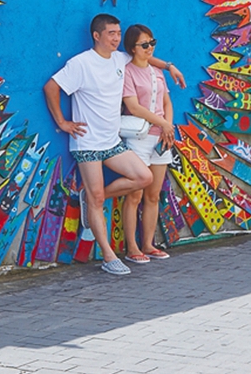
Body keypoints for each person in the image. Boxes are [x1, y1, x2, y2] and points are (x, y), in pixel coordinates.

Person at [43, 14, 185, 276]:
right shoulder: (81, 63)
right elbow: (51, 87)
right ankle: (109, 256)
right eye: (111, 33)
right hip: (87, 143)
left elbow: (144, 58)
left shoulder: (119, 59)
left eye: (118, 33)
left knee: (143, 177)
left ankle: (90, 199)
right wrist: (62, 122)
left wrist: (169, 67)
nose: (116, 38)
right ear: (96, 36)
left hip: (111, 141)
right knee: (97, 197)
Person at [120, 24, 175, 263]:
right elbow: (133, 107)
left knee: (153, 195)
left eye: (152, 42)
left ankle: (148, 244)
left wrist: (167, 127)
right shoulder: (128, 72)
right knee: (135, 195)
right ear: (132, 48)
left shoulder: (157, 72)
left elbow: (166, 102)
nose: (150, 48)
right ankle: (132, 248)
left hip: (161, 138)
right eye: (144, 44)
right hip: (138, 138)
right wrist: (162, 123)